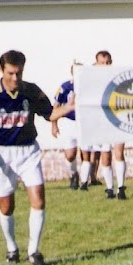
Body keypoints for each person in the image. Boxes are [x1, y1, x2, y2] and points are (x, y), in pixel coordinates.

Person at [0, 50, 75, 265]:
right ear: (2, 71)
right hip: (1, 154)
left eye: (19, 73)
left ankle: (34, 251)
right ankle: (12, 248)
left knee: (39, 199)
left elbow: (49, 113)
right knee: (6, 206)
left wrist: (68, 108)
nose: (15, 78)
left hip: (28, 151)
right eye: (11, 73)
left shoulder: (30, 90)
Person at [93, 50, 128, 200]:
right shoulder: (93, 80)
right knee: (105, 155)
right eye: (102, 63)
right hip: (102, 121)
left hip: (117, 118)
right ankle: (109, 188)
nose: (106, 66)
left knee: (119, 152)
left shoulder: (117, 79)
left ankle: (121, 187)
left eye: (108, 63)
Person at [51, 62, 85, 190]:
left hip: (83, 121)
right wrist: (54, 125)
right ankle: (73, 174)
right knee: (70, 154)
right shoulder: (65, 87)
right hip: (69, 122)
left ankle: (86, 180)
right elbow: (56, 106)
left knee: (85, 152)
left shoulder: (87, 86)